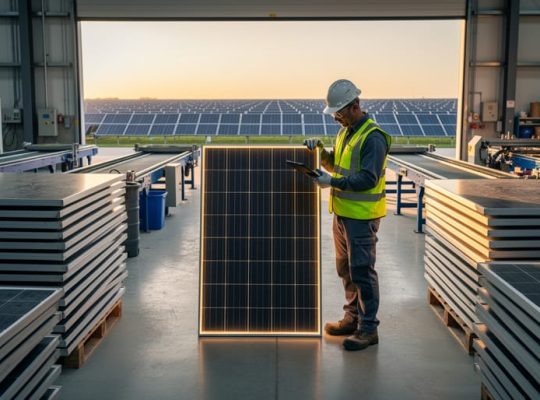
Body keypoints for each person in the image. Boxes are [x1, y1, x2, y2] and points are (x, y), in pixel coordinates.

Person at [304, 79, 391, 351]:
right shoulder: (346, 132)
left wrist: (332, 182)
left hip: (362, 217)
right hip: (342, 214)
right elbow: (339, 166)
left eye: (339, 112)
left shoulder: (373, 137)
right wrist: (320, 151)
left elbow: (367, 178)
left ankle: (368, 329)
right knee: (346, 270)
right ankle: (351, 319)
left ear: (355, 106)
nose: (337, 118)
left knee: (362, 272)